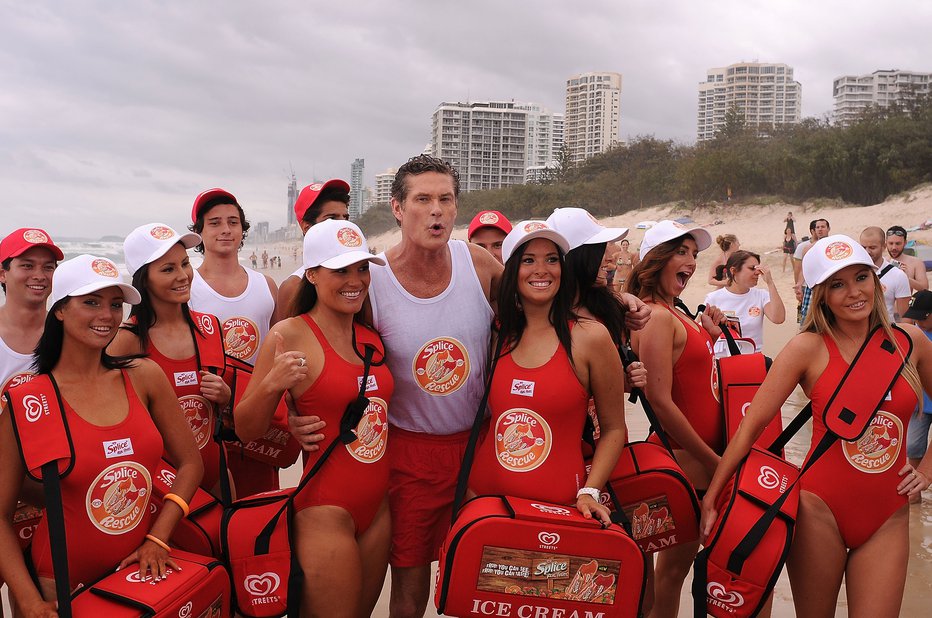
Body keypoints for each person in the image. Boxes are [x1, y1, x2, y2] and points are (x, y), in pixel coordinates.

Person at [700, 235, 932, 618]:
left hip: (888, 514)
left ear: (875, 280)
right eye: (837, 284)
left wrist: (926, 470)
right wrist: (714, 495)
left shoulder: (911, 342)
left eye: (861, 277)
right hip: (818, 509)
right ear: (821, 294)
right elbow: (752, 425)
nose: (854, 292)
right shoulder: (807, 347)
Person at [0, 255, 202, 617]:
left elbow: (190, 464)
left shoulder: (144, 376)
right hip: (61, 583)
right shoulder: (29, 401)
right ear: (59, 310)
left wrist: (159, 537)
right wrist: (29, 600)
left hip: (139, 571)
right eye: (91, 302)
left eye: (115, 304)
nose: (107, 316)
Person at [234, 220, 393, 617]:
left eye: (361, 268)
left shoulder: (371, 336)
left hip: (378, 510)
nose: (355, 280)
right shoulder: (291, 334)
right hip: (325, 510)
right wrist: (274, 386)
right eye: (340, 270)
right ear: (312, 274)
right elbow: (246, 429)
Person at [467, 221, 626, 523]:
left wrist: (590, 491)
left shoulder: (590, 337)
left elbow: (615, 429)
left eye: (552, 259)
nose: (542, 269)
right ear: (512, 271)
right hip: (486, 505)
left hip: (560, 510)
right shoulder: (496, 333)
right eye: (528, 260)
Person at [627, 220, 726, 618]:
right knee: (665, 585)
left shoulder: (676, 311)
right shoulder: (656, 315)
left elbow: (694, 380)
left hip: (695, 468)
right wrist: (716, 463)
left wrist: (712, 337)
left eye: (693, 255)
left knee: (674, 580)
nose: (690, 262)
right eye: (680, 252)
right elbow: (660, 401)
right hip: (683, 468)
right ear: (658, 259)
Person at [109, 223, 231, 496]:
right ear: (144, 279)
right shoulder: (126, 340)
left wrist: (226, 396)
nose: (183, 275)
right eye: (167, 269)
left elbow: (224, 415)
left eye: (185, 263)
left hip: (215, 472)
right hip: (159, 485)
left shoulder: (210, 327)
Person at [187, 187, 280, 496]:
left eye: (233, 222)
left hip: (259, 417)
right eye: (214, 223)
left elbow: (281, 350)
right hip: (207, 419)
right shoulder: (187, 288)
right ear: (198, 232)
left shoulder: (265, 285)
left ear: (243, 230)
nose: (225, 230)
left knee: (260, 506)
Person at [0, 228, 63, 617]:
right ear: (3, 273)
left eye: (48, 266)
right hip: (3, 492)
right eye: (27, 265)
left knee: (43, 604)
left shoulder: (68, 335)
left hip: (55, 496)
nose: (39, 274)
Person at [278, 180, 351, 316]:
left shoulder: (360, 276)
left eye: (345, 217)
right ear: (307, 227)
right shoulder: (294, 286)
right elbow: (283, 336)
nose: (343, 225)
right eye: (331, 218)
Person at [703, 250, 786, 353]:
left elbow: (778, 318)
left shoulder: (761, 296)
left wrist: (770, 282)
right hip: (722, 360)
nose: (757, 273)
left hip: (752, 358)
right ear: (734, 271)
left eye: (758, 268)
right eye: (752, 268)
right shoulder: (713, 298)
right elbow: (702, 334)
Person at [905, 290, 932, 504]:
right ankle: (913, 497)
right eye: (915, 316)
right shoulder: (910, 335)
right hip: (919, 403)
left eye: (923, 317)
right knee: (912, 447)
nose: (918, 321)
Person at [860, 226, 911, 322]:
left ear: (884, 246)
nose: (867, 251)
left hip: (886, 331)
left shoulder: (898, 275)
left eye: (872, 247)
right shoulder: (853, 273)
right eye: (863, 247)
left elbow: (905, 317)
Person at [795, 218, 831, 325]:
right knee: (808, 319)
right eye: (817, 227)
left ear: (828, 229)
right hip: (812, 287)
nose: (820, 229)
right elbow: (804, 269)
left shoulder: (834, 246)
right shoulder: (808, 248)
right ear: (814, 230)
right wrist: (799, 284)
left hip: (830, 286)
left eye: (823, 227)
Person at [886, 225, 929, 292]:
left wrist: (906, 278)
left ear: (905, 243)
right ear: (886, 243)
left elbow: (925, 288)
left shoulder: (915, 262)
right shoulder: (882, 262)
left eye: (898, 244)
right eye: (891, 243)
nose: (894, 247)